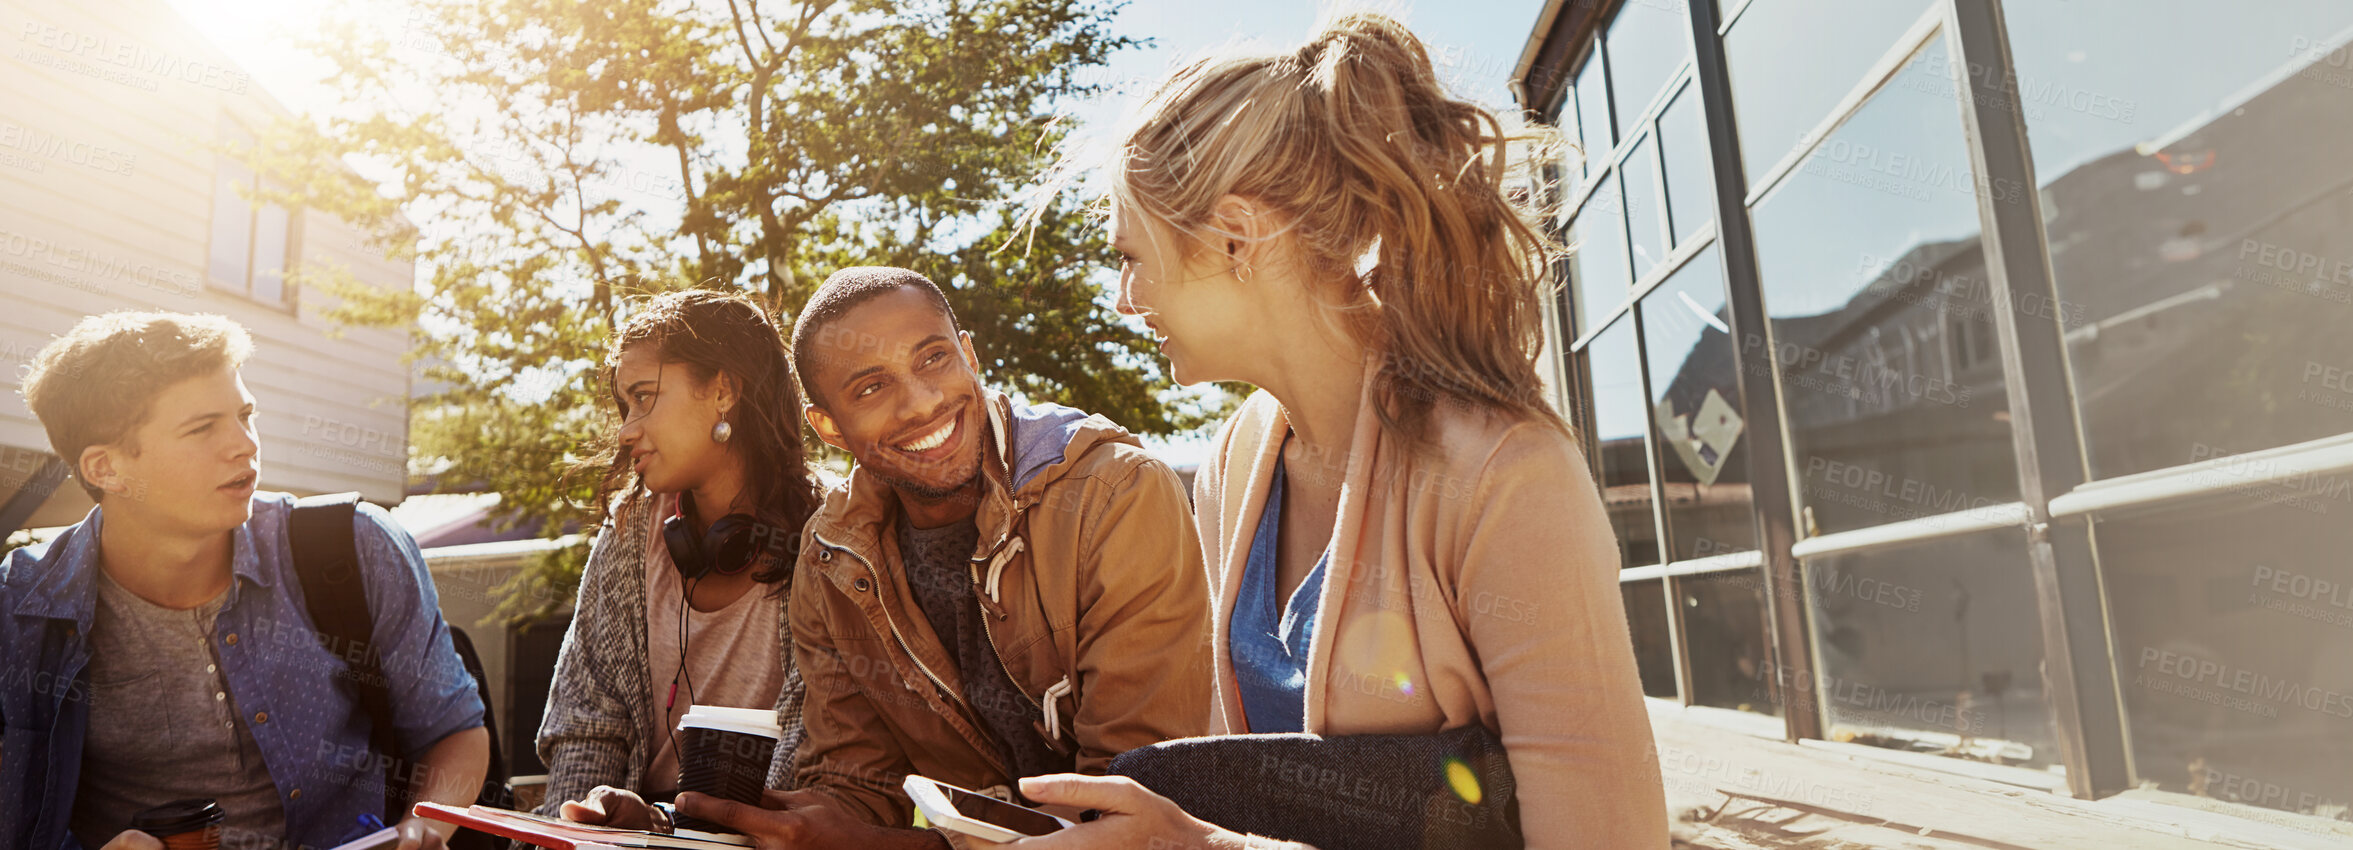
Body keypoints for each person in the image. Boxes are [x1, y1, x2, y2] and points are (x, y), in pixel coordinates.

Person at [1006, 13, 1669, 848]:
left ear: (1235, 238)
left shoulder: (1506, 472)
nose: (1125, 300)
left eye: (1131, 257)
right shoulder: (1234, 463)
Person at [669, 266, 1214, 849]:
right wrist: (684, 822)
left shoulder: (1117, 494)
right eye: (871, 388)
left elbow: (1131, 815)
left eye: (933, 359)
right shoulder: (830, 559)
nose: (922, 402)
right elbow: (857, 794)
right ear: (828, 427)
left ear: (969, 355)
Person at [0, 312, 490, 850]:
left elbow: (454, 731)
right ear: (105, 468)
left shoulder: (355, 546)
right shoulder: (20, 605)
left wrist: (421, 828)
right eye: (202, 427)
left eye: (245, 414)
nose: (245, 444)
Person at [535, 290, 824, 827]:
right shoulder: (630, 533)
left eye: (644, 397)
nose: (626, 430)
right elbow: (586, 725)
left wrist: (672, 825)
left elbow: (818, 754)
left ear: (723, 390)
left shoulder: (831, 536)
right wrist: (575, 832)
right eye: (625, 406)